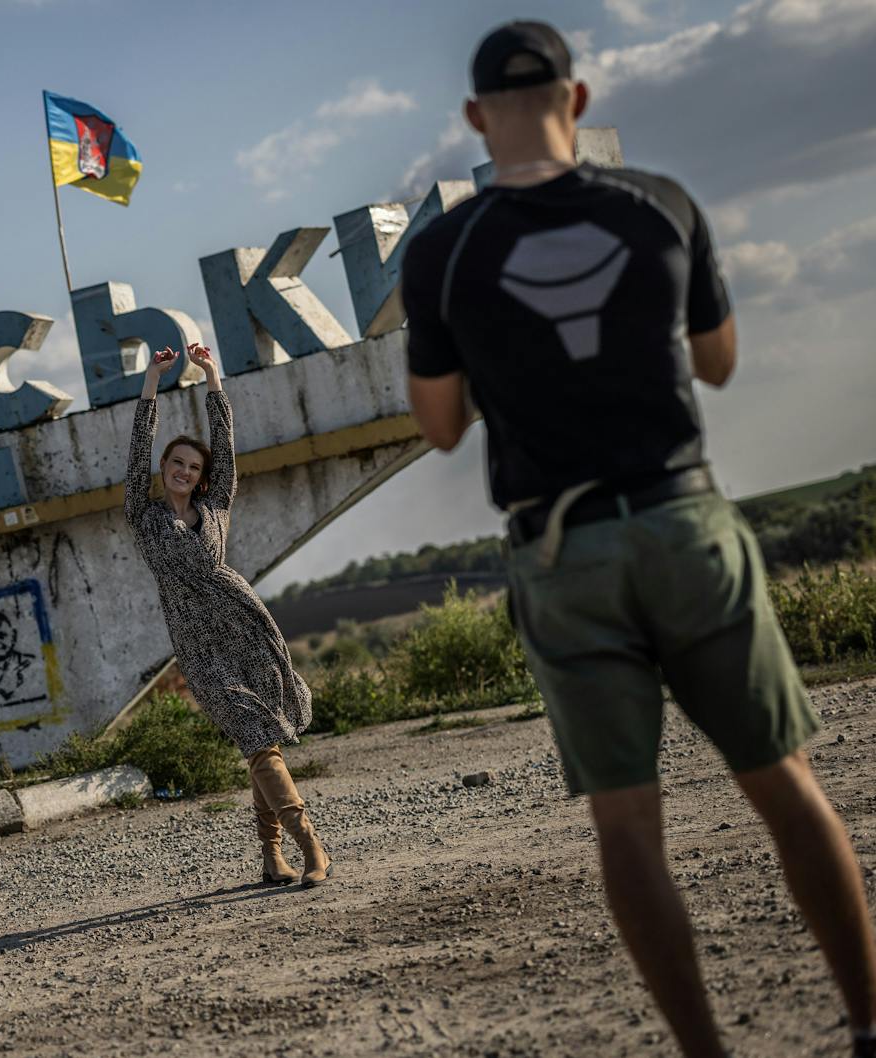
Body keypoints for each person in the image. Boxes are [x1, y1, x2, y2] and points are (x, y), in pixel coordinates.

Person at [399, 20, 876, 1058]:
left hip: (561, 547)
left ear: (476, 119)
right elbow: (717, 362)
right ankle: (868, 1023)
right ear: (576, 101)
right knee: (785, 784)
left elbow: (437, 426)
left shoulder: (441, 251)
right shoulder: (659, 203)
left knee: (625, 825)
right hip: (681, 517)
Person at [125, 342, 330, 887]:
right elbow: (137, 447)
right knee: (254, 733)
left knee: (261, 737)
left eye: (194, 467)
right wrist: (153, 381)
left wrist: (212, 377)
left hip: (245, 625)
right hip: (199, 646)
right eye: (176, 462)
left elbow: (226, 445)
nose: (184, 471)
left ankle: (272, 857)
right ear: (163, 467)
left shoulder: (216, 506)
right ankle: (311, 844)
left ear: (202, 478)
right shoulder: (142, 515)